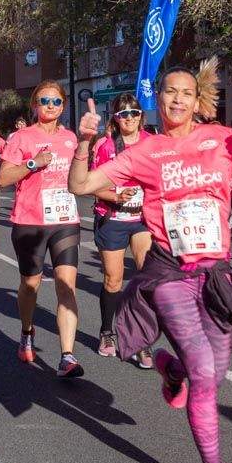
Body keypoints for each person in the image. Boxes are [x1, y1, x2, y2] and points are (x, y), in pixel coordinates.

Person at [68, 58, 232, 463]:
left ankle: (172, 369)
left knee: (214, 367)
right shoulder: (145, 151)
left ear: (197, 100)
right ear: (159, 96)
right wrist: (85, 142)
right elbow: (82, 184)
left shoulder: (222, 139)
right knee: (206, 373)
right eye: (169, 91)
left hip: (217, 273)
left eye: (185, 92)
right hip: (168, 272)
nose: (176, 99)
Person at [0, 81, 85, 378]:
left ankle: (67, 355)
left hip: (64, 220)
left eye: (56, 102)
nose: (50, 106)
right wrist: (34, 163)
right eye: (45, 101)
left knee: (66, 284)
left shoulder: (70, 138)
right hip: (30, 221)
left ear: (63, 106)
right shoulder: (21, 137)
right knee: (31, 285)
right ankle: (26, 331)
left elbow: (81, 173)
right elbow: (4, 179)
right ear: (34, 105)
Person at [88, 93, 153, 362]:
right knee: (113, 279)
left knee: (144, 276)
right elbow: (91, 184)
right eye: (124, 114)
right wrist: (114, 196)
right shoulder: (105, 146)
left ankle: (141, 338)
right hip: (112, 217)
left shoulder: (152, 143)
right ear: (115, 117)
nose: (130, 118)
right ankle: (107, 331)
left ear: (141, 116)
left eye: (134, 113)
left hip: (142, 219)